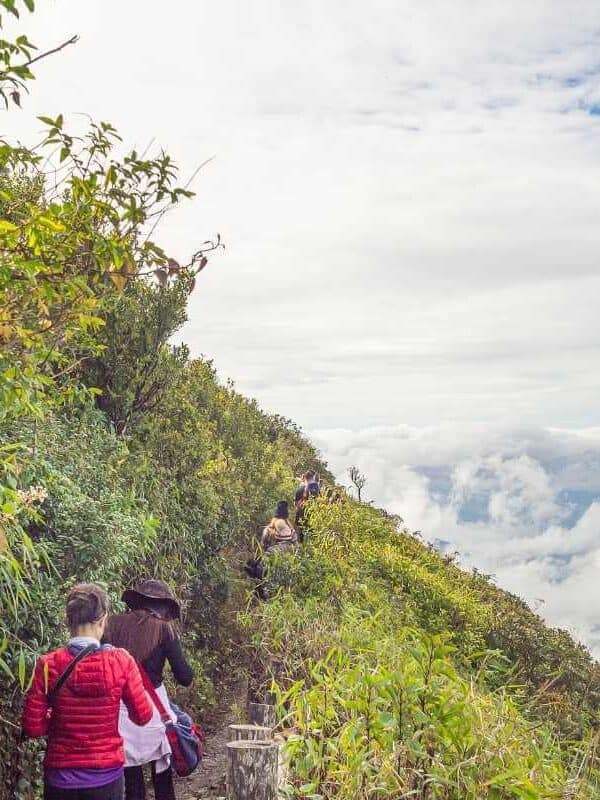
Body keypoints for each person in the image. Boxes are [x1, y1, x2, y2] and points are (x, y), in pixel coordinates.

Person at [22, 583, 152, 800]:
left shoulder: (48, 665)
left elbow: (33, 727)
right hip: (106, 778)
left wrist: (55, 718)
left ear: (68, 621)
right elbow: (143, 716)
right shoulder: (121, 662)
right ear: (103, 621)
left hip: (60, 780)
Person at [103, 579, 193, 800]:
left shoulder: (111, 626)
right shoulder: (164, 630)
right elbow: (185, 677)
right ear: (164, 607)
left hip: (120, 712)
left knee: (132, 781)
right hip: (153, 711)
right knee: (162, 779)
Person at [294, 471, 320, 541]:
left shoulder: (300, 489)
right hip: (313, 517)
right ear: (313, 478)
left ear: (305, 478)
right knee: (313, 537)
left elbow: (296, 504)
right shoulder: (317, 489)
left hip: (301, 517)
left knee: (300, 538)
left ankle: (300, 548)